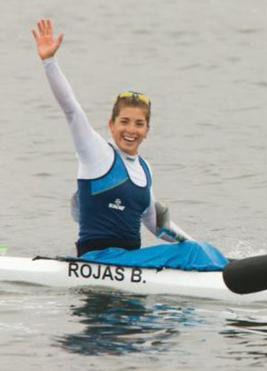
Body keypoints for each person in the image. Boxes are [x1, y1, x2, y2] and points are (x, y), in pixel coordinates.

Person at [32, 19, 192, 257]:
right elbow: (71, 109)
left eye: (139, 124)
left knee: (191, 253)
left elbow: (158, 226)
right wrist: (49, 62)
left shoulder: (145, 170)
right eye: (124, 121)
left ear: (147, 130)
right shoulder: (96, 153)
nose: (131, 130)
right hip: (94, 260)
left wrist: (196, 246)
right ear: (111, 125)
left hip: (131, 264)